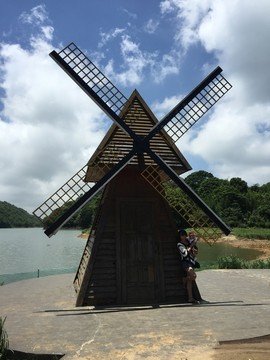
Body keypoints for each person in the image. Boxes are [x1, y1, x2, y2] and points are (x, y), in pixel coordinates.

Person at [177, 229, 201, 304]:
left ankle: (190, 298)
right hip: (185, 262)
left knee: (190, 281)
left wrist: (194, 251)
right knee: (193, 275)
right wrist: (191, 246)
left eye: (184, 235)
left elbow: (194, 252)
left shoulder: (188, 242)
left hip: (191, 262)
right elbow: (184, 253)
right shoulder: (179, 244)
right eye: (182, 235)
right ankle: (185, 279)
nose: (183, 237)